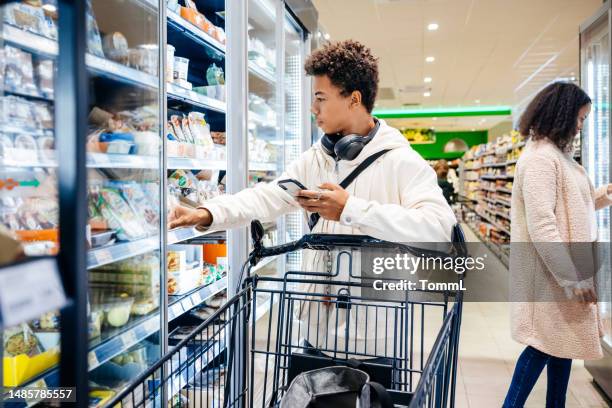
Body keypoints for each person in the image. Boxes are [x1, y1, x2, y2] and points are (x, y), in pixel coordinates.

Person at [169, 40, 456, 246]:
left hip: (373, 324)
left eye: (321, 98)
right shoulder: (317, 158)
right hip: (316, 317)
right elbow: (267, 197)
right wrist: (206, 212)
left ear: (354, 99)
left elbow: (440, 228)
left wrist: (350, 210)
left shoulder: (402, 161)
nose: (312, 108)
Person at [503, 82, 612, 408]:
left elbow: (568, 207)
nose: (580, 127)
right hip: (550, 275)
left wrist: (602, 196)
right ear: (561, 115)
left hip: (565, 270)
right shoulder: (540, 159)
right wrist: (571, 278)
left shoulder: (558, 156)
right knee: (541, 346)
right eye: (579, 119)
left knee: (562, 345)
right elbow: (543, 224)